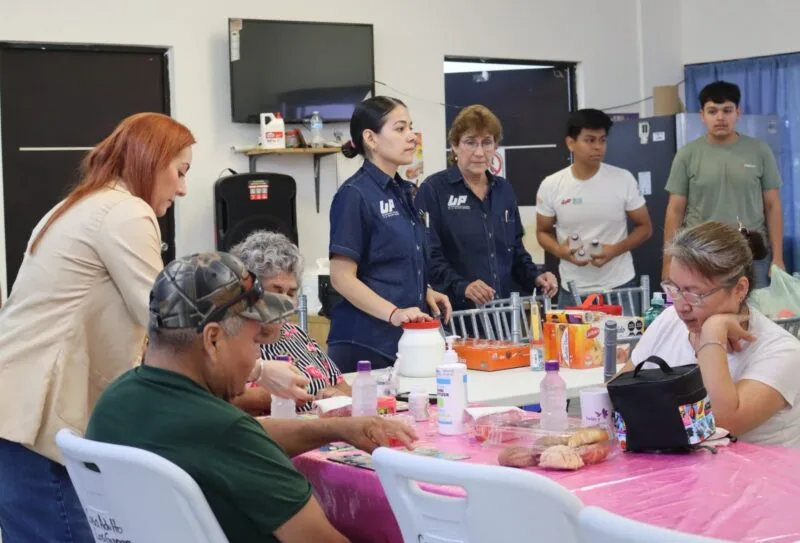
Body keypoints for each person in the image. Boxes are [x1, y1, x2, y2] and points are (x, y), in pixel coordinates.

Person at [86, 252, 417, 543]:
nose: (256, 357)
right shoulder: (224, 432)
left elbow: (244, 435)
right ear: (213, 340)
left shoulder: (114, 402)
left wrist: (338, 428)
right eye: (255, 342)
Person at [0, 112, 194, 542]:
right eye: (180, 172)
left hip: (15, 410)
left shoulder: (80, 205)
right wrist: (251, 367)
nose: (182, 188)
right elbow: (167, 322)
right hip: (38, 422)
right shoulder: (127, 212)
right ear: (151, 160)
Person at [627, 221, 800, 447]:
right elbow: (621, 390)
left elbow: (720, 425)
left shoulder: (781, 350)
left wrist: (712, 333)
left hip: (757, 480)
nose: (680, 305)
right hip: (678, 472)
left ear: (739, 289)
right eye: (674, 289)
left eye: (694, 294)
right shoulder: (669, 320)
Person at [329, 96, 452, 372]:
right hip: (365, 343)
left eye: (411, 128)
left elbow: (394, 259)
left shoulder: (405, 191)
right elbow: (341, 277)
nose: (411, 137)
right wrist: (395, 313)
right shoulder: (354, 195)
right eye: (400, 129)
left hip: (405, 340)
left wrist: (425, 291)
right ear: (371, 138)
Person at [415, 105, 558, 310]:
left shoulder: (504, 190)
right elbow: (429, 256)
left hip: (505, 314)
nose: (479, 152)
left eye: (487, 143)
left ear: (495, 146)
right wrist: (462, 286)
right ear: (455, 146)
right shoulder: (434, 189)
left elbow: (516, 250)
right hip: (457, 315)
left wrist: (536, 277)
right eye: (470, 143)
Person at [663, 80, 783, 288]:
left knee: (753, 316)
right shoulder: (687, 155)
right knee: (704, 314)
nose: (720, 118)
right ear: (702, 115)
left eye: (727, 110)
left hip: (750, 251)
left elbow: (772, 206)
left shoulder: (760, 151)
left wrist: (778, 258)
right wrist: (668, 262)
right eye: (712, 111)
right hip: (700, 253)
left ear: (738, 112)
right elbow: (675, 210)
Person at [536, 108, 652, 309]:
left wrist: (614, 250)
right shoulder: (552, 184)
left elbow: (645, 228)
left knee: (627, 341)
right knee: (572, 342)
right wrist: (560, 251)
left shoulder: (622, 179)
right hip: (573, 290)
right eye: (590, 140)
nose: (598, 147)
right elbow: (542, 231)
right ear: (570, 143)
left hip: (620, 287)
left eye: (602, 140)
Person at [231, 230, 351, 414]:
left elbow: (342, 386)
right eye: (276, 291)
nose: (285, 301)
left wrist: (335, 395)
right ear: (249, 292)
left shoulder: (296, 335)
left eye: (291, 293)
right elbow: (220, 401)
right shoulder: (231, 339)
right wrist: (278, 395)